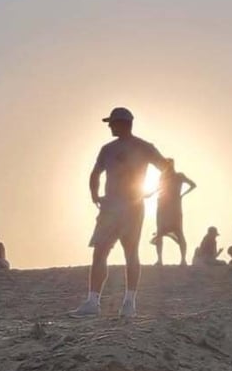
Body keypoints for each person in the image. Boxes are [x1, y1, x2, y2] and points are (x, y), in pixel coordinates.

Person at [71, 107, 167, 319]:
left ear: (123, 123)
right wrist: (94, 194)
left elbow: (166, 169)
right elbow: (95, 174)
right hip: (112, 206)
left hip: (131, 206)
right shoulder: (108, 149)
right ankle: (94, 301)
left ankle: (128, 302)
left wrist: (153, 190)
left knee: (129, 252)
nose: (110, 127)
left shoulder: (143, 147)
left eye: (113, 123)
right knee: (101, 252)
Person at [149, 158, 196, 266]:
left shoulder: (179, 176)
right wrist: (150, 194)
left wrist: (182, 195)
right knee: (160, 232)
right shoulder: (163, 176)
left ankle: (183, 259)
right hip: (162, 206)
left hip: (174, 207)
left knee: (179, 232)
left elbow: (193, 185)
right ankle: (159, 260)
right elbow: (158, 188)